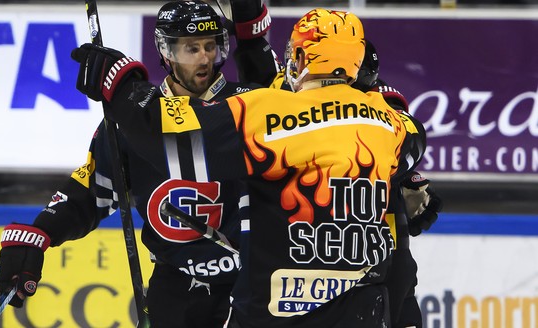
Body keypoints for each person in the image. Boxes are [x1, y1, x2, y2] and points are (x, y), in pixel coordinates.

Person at [69, 8, 428, 327]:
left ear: (302, 57)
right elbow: (411, 147)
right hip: (361, 306)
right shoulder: (390, 121)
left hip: (277, 310)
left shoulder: (270, 111)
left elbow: (176, 143)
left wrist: (121, 83)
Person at [0, 1, 278, 327]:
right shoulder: (129, 123)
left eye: (210, 46)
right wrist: (40, 233)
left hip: (249, 282)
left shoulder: (249, 103)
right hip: (175, 288)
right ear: (167, 51)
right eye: (191, 48)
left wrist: (255, 40)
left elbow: (197, 132)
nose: (204, 57)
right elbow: (92, 190)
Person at [353, 39, 443, 328]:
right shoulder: (296, 101)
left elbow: (410, 137)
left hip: (383, 254)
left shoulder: (379, 100)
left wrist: (405, 177)